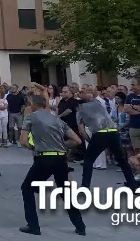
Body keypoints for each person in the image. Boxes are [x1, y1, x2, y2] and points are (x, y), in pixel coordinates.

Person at [19, 94, 85, 236]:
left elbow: (23, 141)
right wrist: (62, 146)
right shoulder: (57, 119)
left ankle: (33, 226)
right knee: (64, 191)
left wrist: (34, 147)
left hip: (43, 159)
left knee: (26, 188)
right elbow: (77, 140)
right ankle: (80, 226)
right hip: (60, 159)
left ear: (33, 104)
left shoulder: (30, 117)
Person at [76, 87, 140, 188]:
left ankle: (85, 186)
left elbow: (82, 131)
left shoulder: (80, 110)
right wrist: (86, 91)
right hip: (113, 132)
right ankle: (132, 184)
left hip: (100, 134)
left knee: (88, 160)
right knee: (122, 161)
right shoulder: (97, 104)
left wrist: (90, 140)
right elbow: (93, 94)